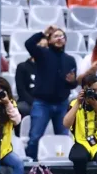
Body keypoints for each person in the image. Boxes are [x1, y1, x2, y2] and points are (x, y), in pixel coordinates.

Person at [24, 26, 78, 160]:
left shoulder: (70, 60)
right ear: (49, 40)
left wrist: (72, 82)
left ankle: (63, 168)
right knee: (35, 137)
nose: (59, 38)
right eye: (56, 36)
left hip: (62, 104)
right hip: (42, 103)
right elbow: (28, 44)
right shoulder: (42, 54)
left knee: (63, 137)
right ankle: (30, 167)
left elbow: (71, 84)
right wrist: (43, 32)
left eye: (62, 36)